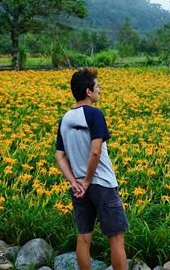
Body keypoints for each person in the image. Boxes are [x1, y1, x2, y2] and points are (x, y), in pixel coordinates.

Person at [55, 68, 128, 270]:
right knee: (116, 238)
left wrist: (74, 182)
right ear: (88, 91)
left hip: (79, 187)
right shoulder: (95, 115)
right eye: (97, 86)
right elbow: (95, 152)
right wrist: (88, 180)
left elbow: (60, 156)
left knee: (83, 238)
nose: (99, 90)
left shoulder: (65, 119)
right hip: (102, 183)